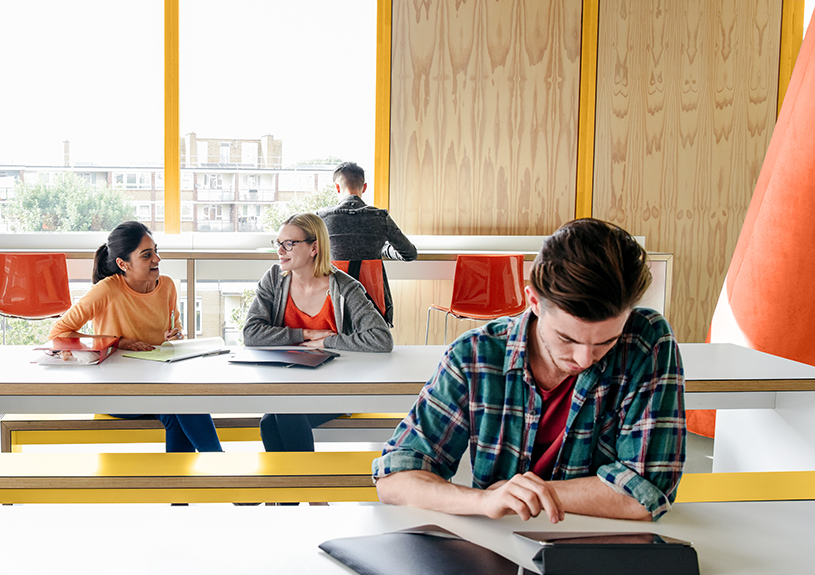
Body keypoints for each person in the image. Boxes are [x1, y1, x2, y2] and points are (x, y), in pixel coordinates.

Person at [374, 218, 686, 522]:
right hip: (500, 548)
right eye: (567, 338)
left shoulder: (646, 340)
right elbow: (395, 479)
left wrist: (523, 495)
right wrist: (484, 500)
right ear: (533, 300)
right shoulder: (474, 355)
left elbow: (647, 493)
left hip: (602, 550)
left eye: (607, 342)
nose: (585, 358)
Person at [48, 221, 222, 454]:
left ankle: (191, 478)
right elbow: (58, 333)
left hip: (161, 386)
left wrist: (176, 336)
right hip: (117, 391)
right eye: (147, 255)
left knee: (181, 403)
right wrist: (117, 342)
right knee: (181, 403)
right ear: (123, 263)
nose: (157, 259)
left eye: (156, 251)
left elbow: (175, 330)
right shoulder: (107, 290)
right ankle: (216, 466)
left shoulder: (167, 286)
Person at [244, 212, 392, 453]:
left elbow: (381, 338)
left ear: (315, 247)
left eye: (289, 244)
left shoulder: (345, 287)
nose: (280, 250)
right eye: (278, 243)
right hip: (292, 385)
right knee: (269, 422)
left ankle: (306, 482)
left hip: (337, 386)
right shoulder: (274, 279)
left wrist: (328, 341)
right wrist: (304, 334)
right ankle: (289, 485)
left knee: (285, 413)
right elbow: (251, 332)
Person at [317, 161, 417, 325]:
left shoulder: (322, 218)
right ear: (364, 187)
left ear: (336, 187)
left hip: (332, 302)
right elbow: (410, 254)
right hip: (373, 304)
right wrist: (382, 248)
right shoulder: (380, 217)